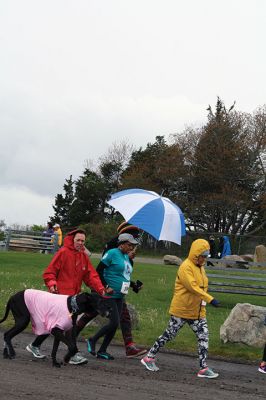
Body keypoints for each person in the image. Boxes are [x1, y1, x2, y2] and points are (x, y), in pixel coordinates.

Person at [26, 228, 110, 365]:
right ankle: (73, 354)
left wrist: (100, 290)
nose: (81, 243)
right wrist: (52, 284)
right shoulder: (63, 252)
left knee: (61, 326)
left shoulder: (83, 256)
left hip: (74, 299)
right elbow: (50, 272)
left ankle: (35, 345)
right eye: (78, 240)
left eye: (83, 241)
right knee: (66, 326)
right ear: (72, 240)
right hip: (60, 298)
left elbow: (91, 276)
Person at [141, 238, 220, 379]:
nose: (204, 259)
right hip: (181, 310)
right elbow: (193, 287)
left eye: (206, 256)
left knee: (204, 336)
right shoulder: (185, 267)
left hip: (197, 312)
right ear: (196, 254)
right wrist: (210, 298)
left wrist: (204, 305)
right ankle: (149, 357)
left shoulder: (200, 267)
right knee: (169, 335)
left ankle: (203, 368)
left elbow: (202, 286)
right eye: (203, 256)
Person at [76, 221, 147, 358]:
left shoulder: (127, 252)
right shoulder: (113, 248)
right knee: (92, 314)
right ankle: (74, 337)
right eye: (133, 240)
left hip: (118, 293)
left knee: (121, 318)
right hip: (104, 290)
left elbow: (123, 274)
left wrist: (133, 285)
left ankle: (122, 347)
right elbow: (104, 270)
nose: (134, 244)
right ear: (125, 238)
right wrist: (103, 288)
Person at [87, 233, 139, 360]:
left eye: (133, 245)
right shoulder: (111, 253)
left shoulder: (126, 256)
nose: (131, 247)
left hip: (120, 295)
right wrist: (105, 286)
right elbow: (98, 270)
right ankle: (92, 340)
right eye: (129, 245)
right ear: (121, 244)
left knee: (114, 324)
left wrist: (134, 285)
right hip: (109, 294)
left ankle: (102, 351)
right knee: (115, 322)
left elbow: (123, 276)